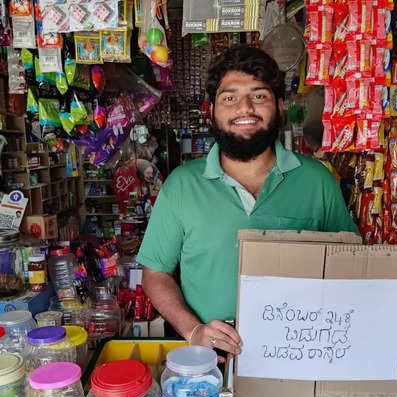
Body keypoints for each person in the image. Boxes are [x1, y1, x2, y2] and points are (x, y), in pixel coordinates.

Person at [136, 46, 360, 359]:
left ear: (279, 106)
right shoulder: (181, 186)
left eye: (259, 96)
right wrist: (193, 330)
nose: (245, 108)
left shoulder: (317, 181)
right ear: (211, 109)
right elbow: (155, 274)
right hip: (211, 361)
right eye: (229, 98)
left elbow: (351, 263)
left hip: (301, 354)